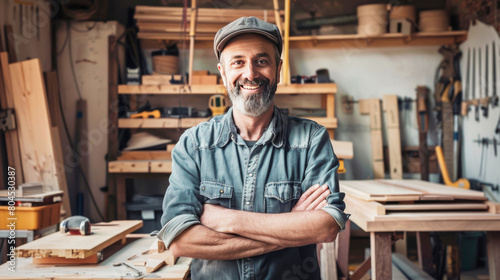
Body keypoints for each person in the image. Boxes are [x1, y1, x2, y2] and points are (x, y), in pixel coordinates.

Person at [158, 16, 349, 279]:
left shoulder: (310, 140)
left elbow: (326, 226)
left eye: (261, 61)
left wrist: (227, 220)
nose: (250, 73)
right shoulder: (194, 145)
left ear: (278, 69)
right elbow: (180, 240)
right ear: (223, 72)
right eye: (238, 62)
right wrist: (291, 227)